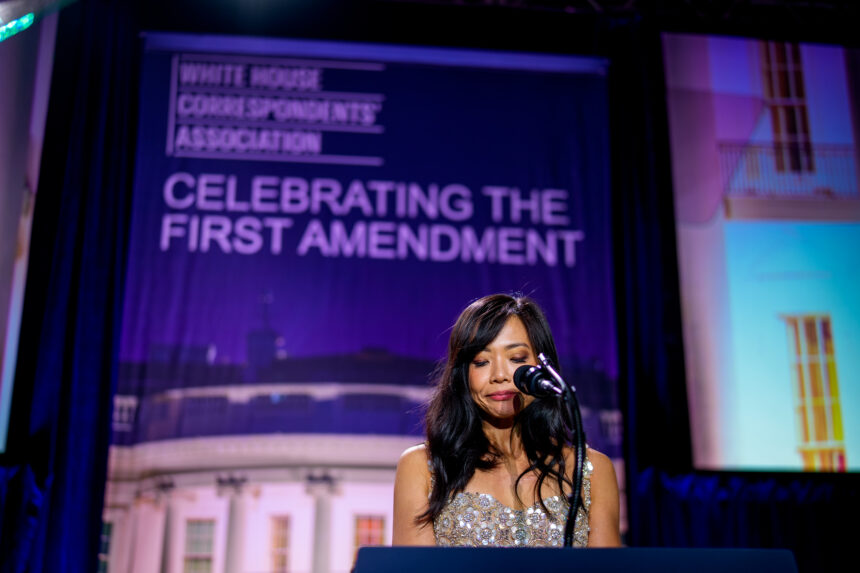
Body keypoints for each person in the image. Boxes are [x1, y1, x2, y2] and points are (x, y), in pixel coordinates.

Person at [393, 293, 621, 547]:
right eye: (481, 362)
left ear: (542, 366)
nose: (500, 375)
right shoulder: (425, 468)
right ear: (463, 375)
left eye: (517, 359)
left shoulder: (591, 471)